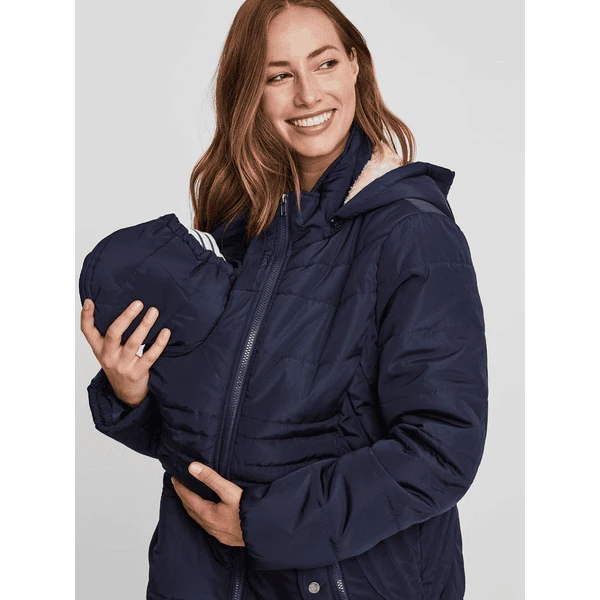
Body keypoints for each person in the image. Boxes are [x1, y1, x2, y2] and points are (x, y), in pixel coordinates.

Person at [79, 1, 488, 599]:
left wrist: (263, 523)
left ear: (355, 66)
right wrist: (132, 395)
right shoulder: (237, 230)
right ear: (250, 91)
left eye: (324, 64)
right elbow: (212, 439)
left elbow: (441, 450)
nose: (307, 94)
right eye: (278, 75)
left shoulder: (412, 234)